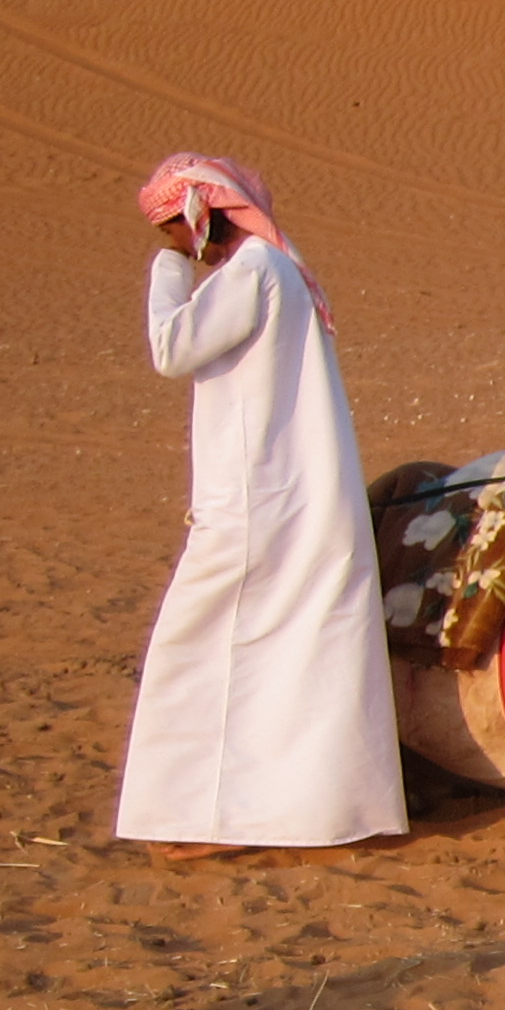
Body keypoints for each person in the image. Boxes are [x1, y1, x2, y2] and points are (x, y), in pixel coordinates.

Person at [114, 154, 405, 852]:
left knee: (199, 649)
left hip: (258, 506)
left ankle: (197, 818)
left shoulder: (254, 272)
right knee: (291, 654)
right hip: (291, 502)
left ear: (200, 215)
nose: (176, 244)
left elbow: (170, 348)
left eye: (173, 229)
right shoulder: (275, 274)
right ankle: (293, 814)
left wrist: (168, 275)